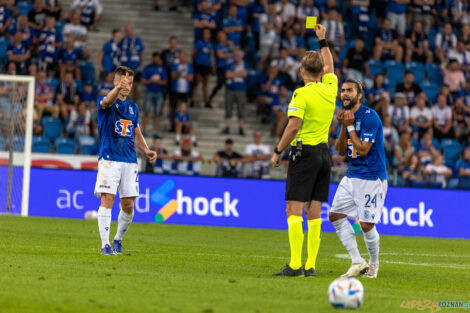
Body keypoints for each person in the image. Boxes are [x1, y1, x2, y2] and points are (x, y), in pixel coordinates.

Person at [271, 24, 337, 277]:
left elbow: (293, 126)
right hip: (324, 155)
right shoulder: (330, 89)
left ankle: (295, 265)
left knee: (293, 209)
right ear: (321, 71)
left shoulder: (301, 94)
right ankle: (310, 266)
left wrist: (278, 151)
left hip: (304, 154)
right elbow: (330, 66)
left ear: (301, 71)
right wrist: (323, 40)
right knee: (314, 210)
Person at [94, 66, 157, 255]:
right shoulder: (106, 102)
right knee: (108, 199)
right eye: (122, 82)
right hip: (109, 159)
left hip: (129, 161)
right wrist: (116, 90)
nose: (126, 86)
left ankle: (117, 240)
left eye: (129, 83)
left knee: (128, 206)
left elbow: (135, 131)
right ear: (115, 82)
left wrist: (145, 150)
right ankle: (105, 245)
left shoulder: (133, 108)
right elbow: (107, 100)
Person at [329, 79, 388, 279]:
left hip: (371, 178)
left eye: (349, 90)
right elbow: (340, 150)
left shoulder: (370, 117)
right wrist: (343, 126)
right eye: (342, 90)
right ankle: (357, 261)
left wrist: (350, 126)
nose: (344, 94)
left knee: (366, 225)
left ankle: (373, 265)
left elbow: (363, 149)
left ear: (359, 95)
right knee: (335, 215)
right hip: (352, 175)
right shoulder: (344, 116)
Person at [141, 52, 167, 134]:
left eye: (158, 59)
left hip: (159, 92)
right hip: (149, 92)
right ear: (152, 58)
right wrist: (151, 81)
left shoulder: (162, 69)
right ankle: (144, 130)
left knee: (157, 113)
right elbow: (143, 80)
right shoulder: (147, 68)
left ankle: (155, 131)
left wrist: (157, 82)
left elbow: (165, 81)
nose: (156, 60)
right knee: (146, 111)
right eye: (155, 59)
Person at [222, 48, 247, 135]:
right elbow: (227, 75)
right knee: (228, 108)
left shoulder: (245, 64)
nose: (237, 57)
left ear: (242, 56)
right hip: (230, 89)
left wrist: (233, 74)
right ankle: (227, 127)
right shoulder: (230, 63)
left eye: (239, 55)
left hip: (241, 89)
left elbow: (244, 74)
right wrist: (238, 74)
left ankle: (241, 128)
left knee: (241, 109)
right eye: (236, 55)